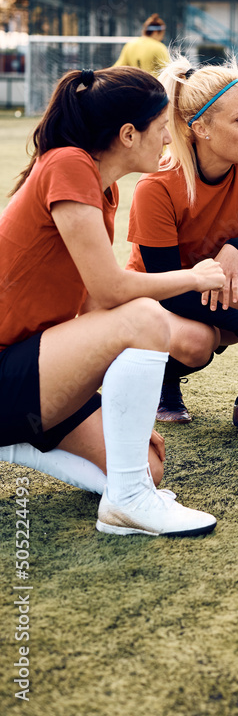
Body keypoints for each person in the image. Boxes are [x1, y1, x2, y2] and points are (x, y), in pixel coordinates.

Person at [0, 67, 226, 536]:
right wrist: (194, 276)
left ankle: (15, 442)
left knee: (146, 463)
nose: (168, 139)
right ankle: (126, 504)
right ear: (128, 134)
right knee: (142, 316)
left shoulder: (100, 183)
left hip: (30, 364)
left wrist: (125, 411)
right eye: (162, 127)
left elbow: (87, 308)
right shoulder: (68, 164)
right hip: (9, 368)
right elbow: (110, 292)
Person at [126, 54, 238, 439]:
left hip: (216, 291)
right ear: (201, 128)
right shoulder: (157, 186)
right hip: (161, 301)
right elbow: (167, 289)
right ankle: (164, 380)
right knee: (196, 342)